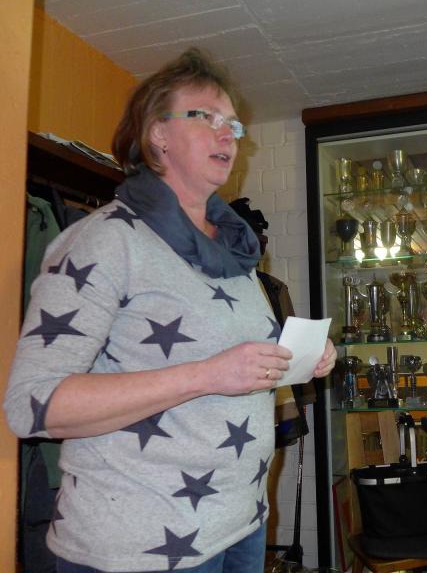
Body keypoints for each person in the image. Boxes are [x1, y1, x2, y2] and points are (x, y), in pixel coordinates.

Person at [4, 48, 336, 573]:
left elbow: (233, 361)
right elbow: (31, 404)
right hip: (139, 544)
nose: (228, 134)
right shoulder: (105, 241)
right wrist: (205, 375)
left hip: (241, 522)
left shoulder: (234, 249)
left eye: (233, 124)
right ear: (157, 132)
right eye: (207, 116)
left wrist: (298, 356)